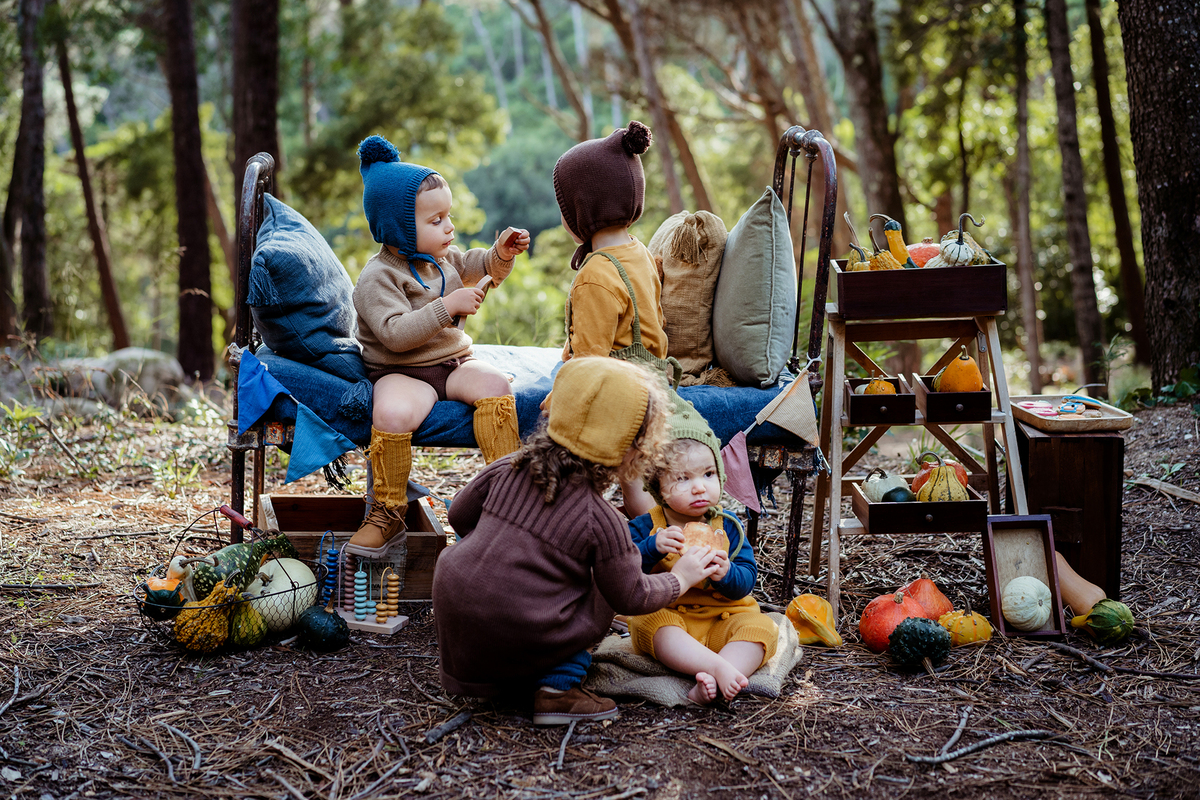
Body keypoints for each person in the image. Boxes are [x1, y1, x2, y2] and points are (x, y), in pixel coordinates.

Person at [432, 358, 722, 725]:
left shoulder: (510, 466)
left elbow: (458, 515)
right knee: (600, 587)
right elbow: (631, 597)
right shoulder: (599, 521)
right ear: (630, 448)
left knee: (519, 586)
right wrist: (681, 576)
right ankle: (558, 691)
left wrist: (503, 557)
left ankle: (508, 668)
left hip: (458, 622)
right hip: (516, 624)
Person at [349, 134, 530, 557]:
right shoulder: (378, 278)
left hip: (452, 362)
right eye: (436, 221)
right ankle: (388, 511)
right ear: (400, 228)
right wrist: (446, 308)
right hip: (400, 370)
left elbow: (473, 265)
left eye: (448, 216)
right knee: (392, 412)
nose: (449, 228)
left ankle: (509, 498)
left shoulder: (444, 258)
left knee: (496, 385)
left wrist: (498, 256)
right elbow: (394, 333)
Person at [625, 397, 778, 705]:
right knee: (647, 622)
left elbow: (747, 578)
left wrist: (727, 574)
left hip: (724, 618)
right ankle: (720, 669)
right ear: (658, 486)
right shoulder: (647, 526)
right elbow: (623, 569)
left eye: (708, 474)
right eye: (683, 478)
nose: (699, 487)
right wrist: (652, 548)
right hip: (673, 619)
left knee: (762, 628)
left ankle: (715, 680)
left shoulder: (728, 527)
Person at [552, 120, 668, 366]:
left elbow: (589, 364)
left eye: (564, 207)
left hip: (618, 383)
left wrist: (555, 402)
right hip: (653, 375)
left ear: (582, 209)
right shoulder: (640, 252)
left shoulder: (595, 276)